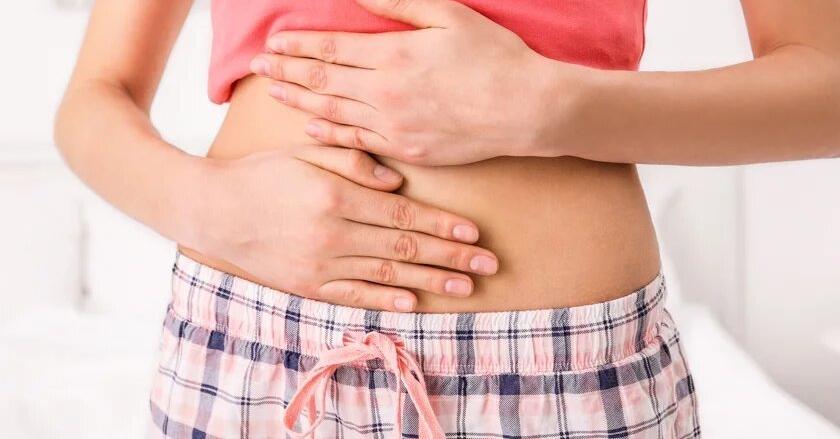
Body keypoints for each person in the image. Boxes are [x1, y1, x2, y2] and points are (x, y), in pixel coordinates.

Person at [54, 0, 840, 437]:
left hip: (563, 375)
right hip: (255, 359)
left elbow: (827, 85)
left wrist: (549, 107)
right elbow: (94, 98)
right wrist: (210, 208)